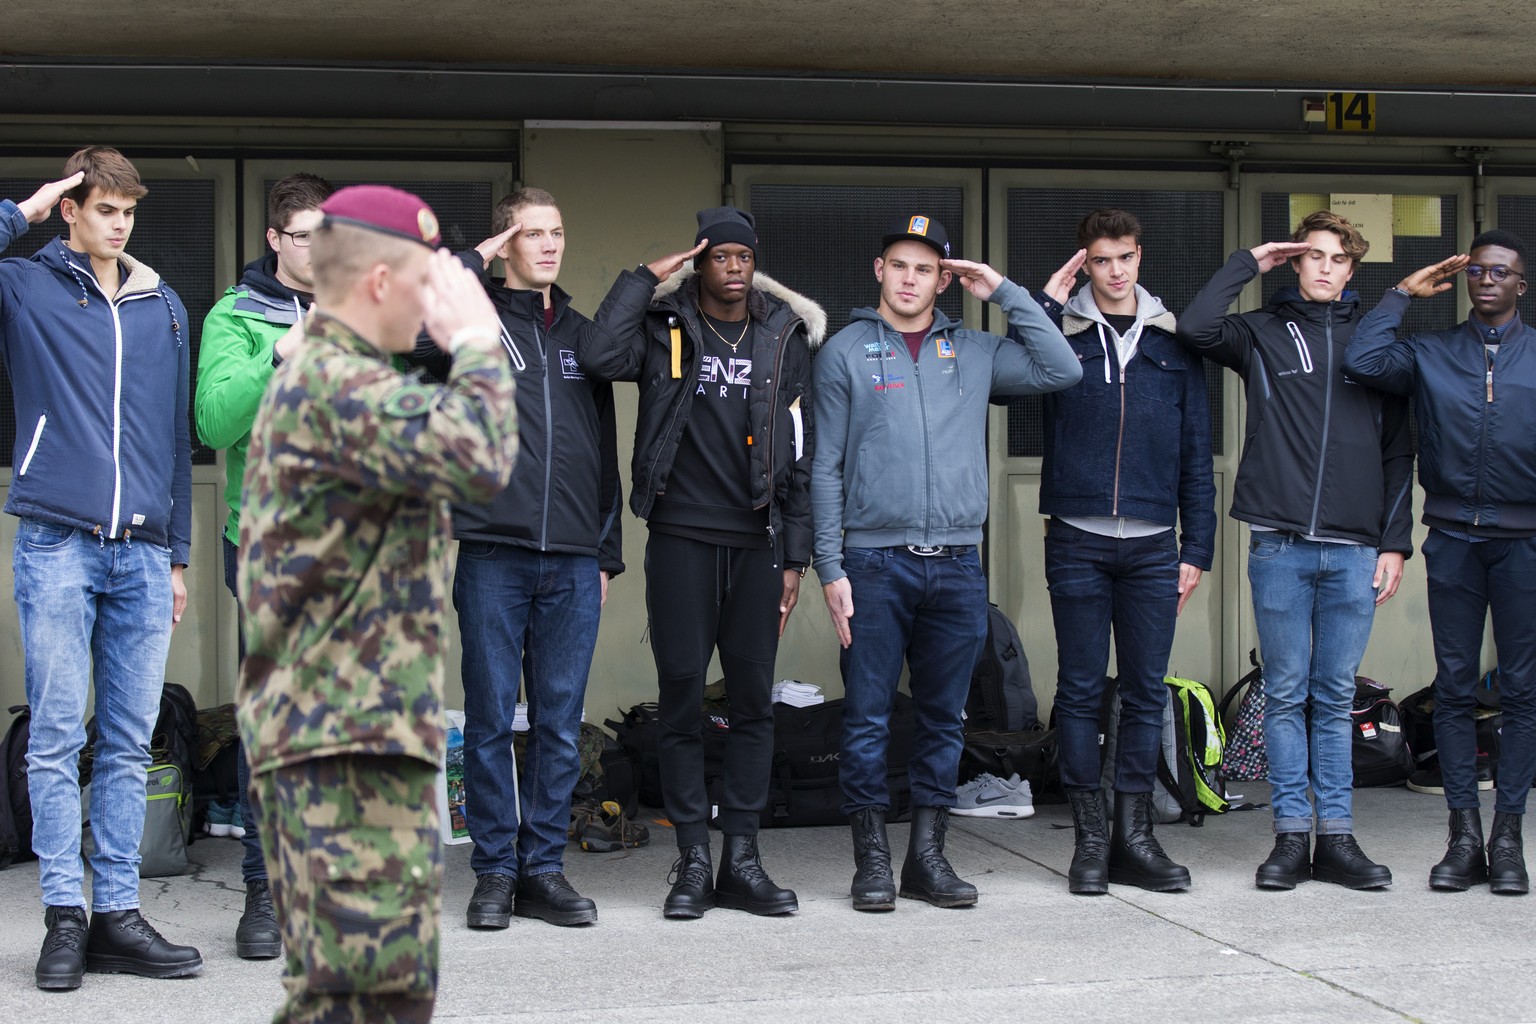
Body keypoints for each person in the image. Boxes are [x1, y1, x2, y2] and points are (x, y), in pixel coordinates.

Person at [238, 185, 518, 1023]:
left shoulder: (349, 376)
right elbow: (479, 456)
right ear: (380, 285)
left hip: (353, 736)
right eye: (428, 281)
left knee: (373, 998)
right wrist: (474, 338)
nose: (439, 299)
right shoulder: (335, 383)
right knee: (359, 1003)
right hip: (340, 747)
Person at [813, 214, 1080, 911]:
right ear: (879, 271)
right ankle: (871, 861)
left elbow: (1062, 367)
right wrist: (830, 566)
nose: (910, 278)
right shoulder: (844, 351)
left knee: (944, 718)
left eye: (925, 268)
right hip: (873, 565)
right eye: (898, 264)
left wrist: (1005, 291)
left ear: (944, 278)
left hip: (957, 562)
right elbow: (825, 467)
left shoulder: (977, 349)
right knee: (868, 716)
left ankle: (926, 860)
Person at [583, 207, 823, 919]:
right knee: (683, 700)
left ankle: (741, 859)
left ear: (755, 261)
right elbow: (599, 357)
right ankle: (692, 862)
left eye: (744, 256)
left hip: (759, 543)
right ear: (700, 262)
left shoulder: (784, 334)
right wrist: (642, 281)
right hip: (682, 538)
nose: (734, 267)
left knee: (752, 703)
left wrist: (797, 554)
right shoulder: (663, 326)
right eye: (719, 256)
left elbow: (802, 450)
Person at [1, 148, 201, 990]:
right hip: (57, 541)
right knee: (54, 738)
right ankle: (63, 918)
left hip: (145, 555)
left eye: (128, 209)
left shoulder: (165, 305)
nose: (119, 222)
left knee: (126, 740)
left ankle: (117, 914)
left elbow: (173, 441)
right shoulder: (26, 286)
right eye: (103, 207)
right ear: (73, 210)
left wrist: (179, 553)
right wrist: (24, 210)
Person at [1177, 210, 1413, 890]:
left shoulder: (1377, 343)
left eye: (1337, 258)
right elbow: (1194, 328)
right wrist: (1249, 263)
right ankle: (1288, 839)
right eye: (1311, 255)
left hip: (1354, 552)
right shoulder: (1260, 331)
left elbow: (1401, 452)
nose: (1324, 267)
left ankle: (1336, 839)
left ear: (1351, 269)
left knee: (1334, 696)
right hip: (1279, 544)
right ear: (1296, 263)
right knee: (1284, 695)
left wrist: (1394, 544)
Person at [411, 188, 623, 930]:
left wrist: (607, 552)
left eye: (558, 233)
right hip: (492, 554)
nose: (550, 245)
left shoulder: (581, 334)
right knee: (492, 720)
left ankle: (543, 869)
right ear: (507, 243)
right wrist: (473, 264)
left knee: (561, 724)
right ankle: (495, 871)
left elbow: (604, 455)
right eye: (533, 234)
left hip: (571, 559)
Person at [1345, 229, 1536, 896]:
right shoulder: (1431, 352)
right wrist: (1402, 293)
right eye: (1477, 271)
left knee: (1522, 690)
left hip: (1525, 544)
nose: (1487, 280)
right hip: (1453, 537)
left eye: (1501, 272)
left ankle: (1507, 839)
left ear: (1521, 285)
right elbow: (1364, 362)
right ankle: (1463, 839)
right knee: (1454, 686)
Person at [1032, 209, 1216, 894]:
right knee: (1079, 691)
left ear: (1141, 258)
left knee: (1144, 693)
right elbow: (1012, 376)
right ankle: (1089, 842)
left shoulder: (1173, 343)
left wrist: (1196, 544)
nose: (1115, 272)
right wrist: (1049, 302)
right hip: (1077, 540)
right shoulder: (1063, 336)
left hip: (1153, 548)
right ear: (1085, 261)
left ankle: (1134, 839)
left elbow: (1197, 450)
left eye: (1126, 258)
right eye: (1101, 259)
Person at [196, 171, 335, 960]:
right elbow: (213, 419)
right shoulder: (237, 314)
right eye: (307, 235)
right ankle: (263, 890)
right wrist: (281, 350)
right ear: (278, 240)